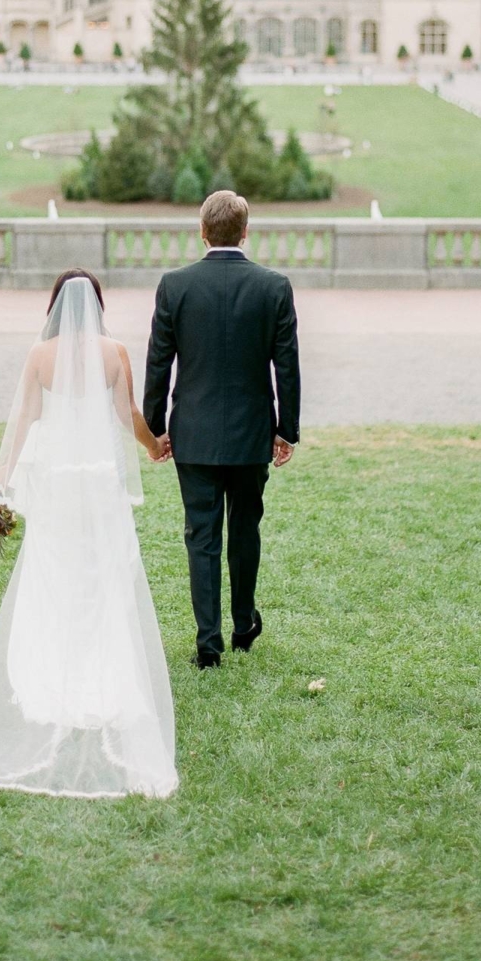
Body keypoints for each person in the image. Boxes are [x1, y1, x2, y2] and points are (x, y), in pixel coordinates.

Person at [0, 270, 178, 799]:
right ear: (97, 305)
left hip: (56, 481)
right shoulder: (114, 351)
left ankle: (50, 670)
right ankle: (102, 670)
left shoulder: (40, 356)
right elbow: (128, 417)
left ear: (54, 306)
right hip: (98, 481)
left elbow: (26, 419)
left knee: (52, 571)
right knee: (101, 575)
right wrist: (153, 445)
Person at [144, 190, 301, 670]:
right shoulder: (274, 286)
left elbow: (159, 363)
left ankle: (208, 645)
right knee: (245, 530)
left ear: (202, 231)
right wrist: (285, 430)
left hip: (192, 432)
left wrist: (154, 428)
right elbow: (287, 367)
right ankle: (243, 624)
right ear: (246, 231)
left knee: (202, 536)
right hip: (253, 432)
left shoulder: (175, 285)